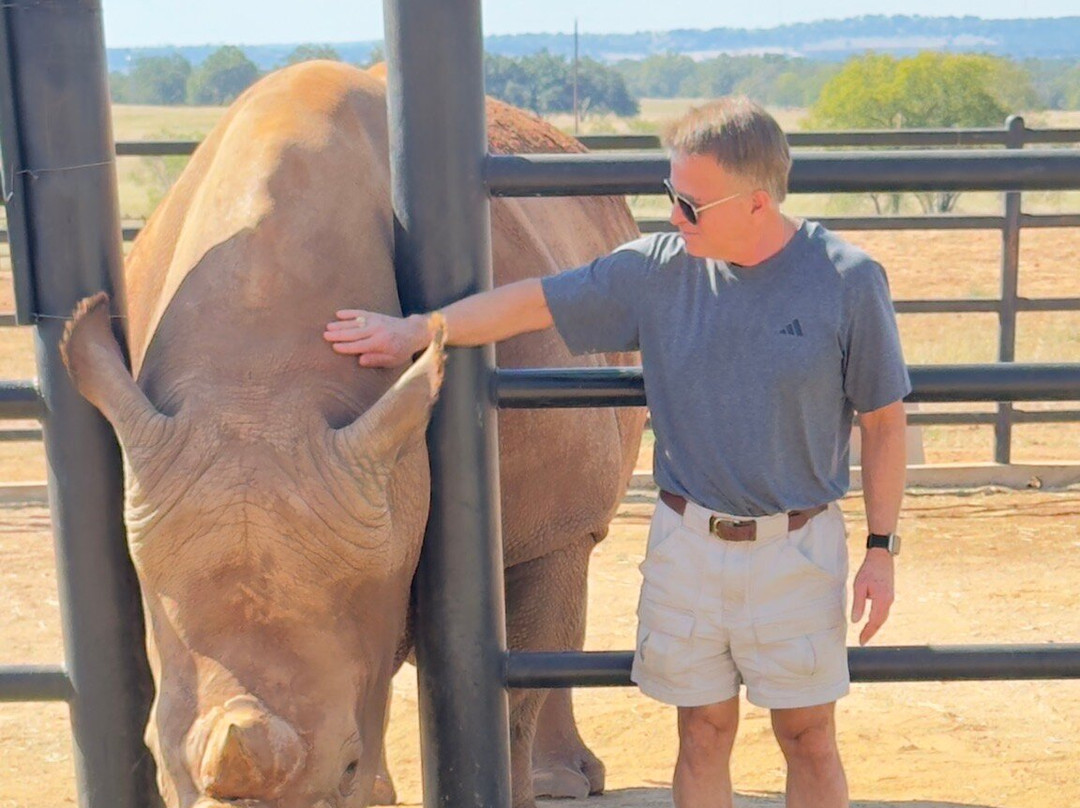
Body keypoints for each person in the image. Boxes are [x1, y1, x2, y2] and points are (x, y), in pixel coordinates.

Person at [324, 95, 909, 808]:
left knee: (809, 738)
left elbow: (883, 422)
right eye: (671, 194)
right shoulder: (658, 271)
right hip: (688, 543)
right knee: (701, 732)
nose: (673, 216)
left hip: (798, 547)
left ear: (758, 203)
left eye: (691, 204)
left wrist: (881, 547)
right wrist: (419, 330)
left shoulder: (847, 281)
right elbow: (532, 302)